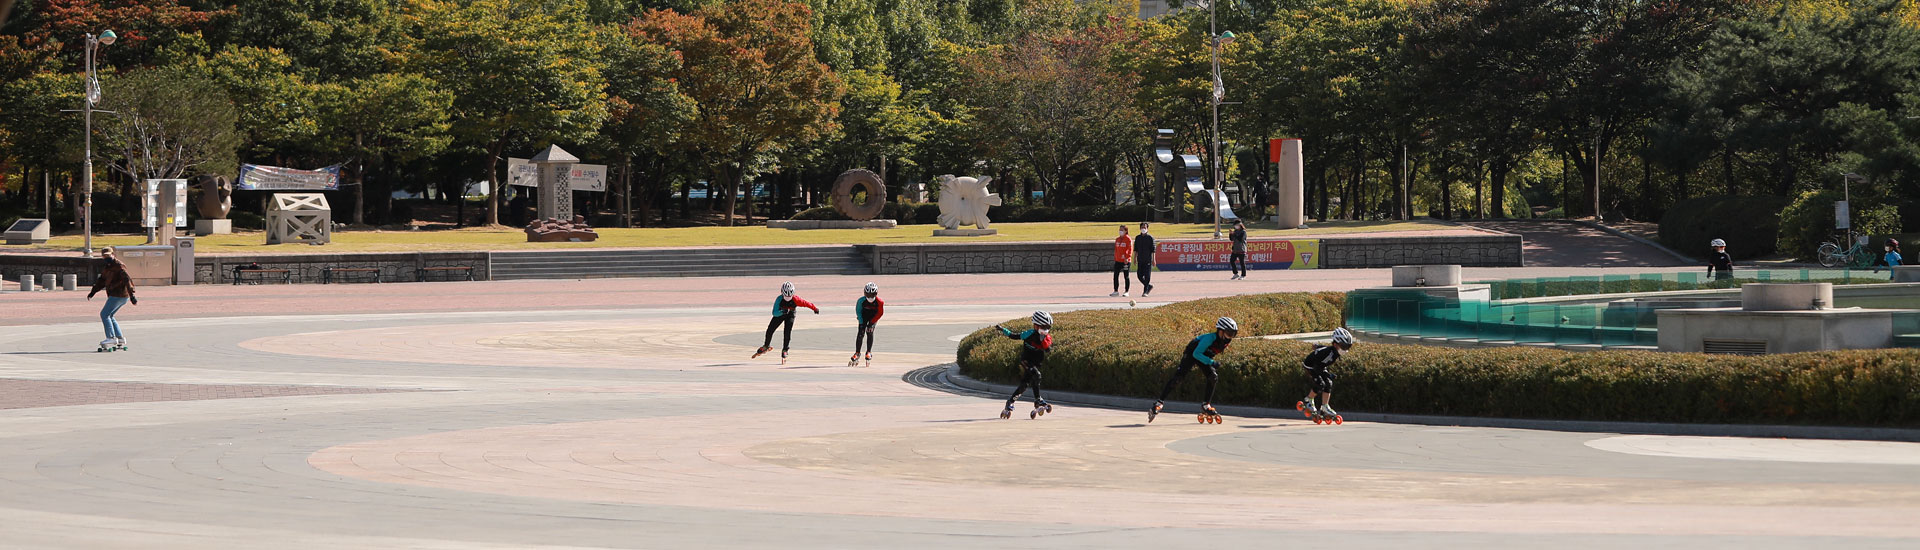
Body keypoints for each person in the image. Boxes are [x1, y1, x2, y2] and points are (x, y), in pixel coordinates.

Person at [1148, 317, 1238, 424]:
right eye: (1229, 333)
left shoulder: (1225, 341)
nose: (1230, 337)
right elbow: (1197, 354)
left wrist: (1209, 362)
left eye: (1233, 334)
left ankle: (1206, 405)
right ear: (1221, 331)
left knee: (1213, 377)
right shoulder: (1210, 339)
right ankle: (1159, 403)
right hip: (1192, 353)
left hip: (1203, 356)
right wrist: (1212, 362)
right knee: (1178, 378)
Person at [997, 311, 1056, 419]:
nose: (1046, 329)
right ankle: (1038, 399)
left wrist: (1043, 341)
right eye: (1044, 326)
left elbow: (1048, 350)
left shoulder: (1047, 337)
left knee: (1024, 385)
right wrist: (1003, 330)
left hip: (1037, 363)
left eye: (1047, 327)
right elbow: (1014, 336)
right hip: (1026, 361)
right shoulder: (1029, 333)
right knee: (1037, 375)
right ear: (1036, 326)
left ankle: (1010, 402)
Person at [754, 281, 819, 364]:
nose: (787, 298)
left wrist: (814, 308)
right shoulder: (779, 299)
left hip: (790, 315)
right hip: (780, 314)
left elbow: (806, 303)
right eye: (785, 296)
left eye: (790, 296)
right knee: (770, 329)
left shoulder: (796, 299)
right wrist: (782, 312)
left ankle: (785, 349)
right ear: (782, 293)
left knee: (787, 332)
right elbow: (774, 312)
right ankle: (766, 346)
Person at [1299, 327, 1355, 422]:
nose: (1345, 349)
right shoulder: (1330, 354)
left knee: (1329, 383)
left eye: (1347, 347)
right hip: (1310, 366)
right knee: (1321, 384)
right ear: (1335, 344)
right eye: (1343, 346)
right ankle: (1308, 400)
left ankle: (1325, 406)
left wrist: (1317, 346)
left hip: (1319, 365)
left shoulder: (1334, 351)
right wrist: (1328, 374)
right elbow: (1317, 367)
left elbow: (1324, 349)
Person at [86, 247, 136, 352]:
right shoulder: (108, 267)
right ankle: (120, 338)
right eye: (104, 256)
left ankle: (111, 338)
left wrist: (132, 296)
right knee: (110, 315)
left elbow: (127, 280)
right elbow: (101, 280)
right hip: (119, 295)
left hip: (119, 294)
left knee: (104, 314)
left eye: (108, 256)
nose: (106, 258)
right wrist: (93, 292)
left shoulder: (119, 266)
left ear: (113, 254)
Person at [850, 282, 884, 367]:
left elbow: (880, 313)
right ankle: (857, 353)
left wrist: (872, 323)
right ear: (865, 293)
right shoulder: (861, 301)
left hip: (873, 316)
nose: (870, 297)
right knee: (861, 333)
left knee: (870, 332)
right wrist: (861, 323)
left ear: (876, 294)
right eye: (868, 295)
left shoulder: (880, 302)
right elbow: (858, 312)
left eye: (872, 295)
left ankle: (868, 352)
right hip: (863, 316)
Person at [1133, 221, 1156, 297]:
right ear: (1140, 228)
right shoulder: (1138, 238)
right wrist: (1135, 258)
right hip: (1140, 259)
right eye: (1142, 227)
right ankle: (1148, 286)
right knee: (1139, 275)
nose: (1143, 229)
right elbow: (1136, 249)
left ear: (1147, 229)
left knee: (1147, 276)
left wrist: (1153, 259)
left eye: (1145, 227)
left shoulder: (1150, 238)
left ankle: (1145, 291)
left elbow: (1153, 250)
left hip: (1148, 260)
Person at [1110, 225, 1133, 297]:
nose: (1120, 231)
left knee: (1126, 276)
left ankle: (1126, 291)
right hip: (1118, 260)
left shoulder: (1128, 239)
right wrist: (1115, 257)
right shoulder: (1117, 239)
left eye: (1122, 230)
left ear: (1126, 231)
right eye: (1120, 230)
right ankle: (1115, 291)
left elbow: (1130, 249)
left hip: (1125, 261)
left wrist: (1127, 257)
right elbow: (1116, 250)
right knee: (1115, 275)